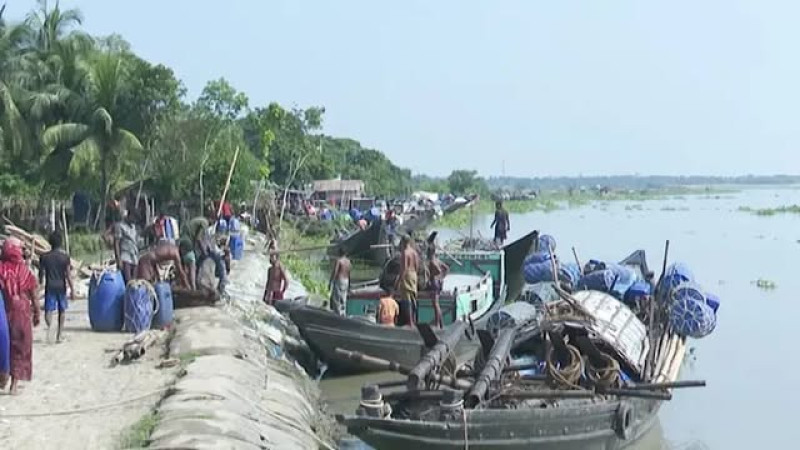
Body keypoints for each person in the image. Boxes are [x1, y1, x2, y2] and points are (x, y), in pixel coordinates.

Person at [0, 237, 39, 395]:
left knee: (5, 346)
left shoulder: (1, 269)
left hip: (4, 313)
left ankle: (3, 378)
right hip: (21, 314)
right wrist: (37, 313)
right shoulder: (24, 271)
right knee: (20, 346)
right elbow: (34, 294)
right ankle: (14, 385)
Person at [39, 232, 74, 343]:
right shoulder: (65, 257)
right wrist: (72, 290)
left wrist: (40, 283)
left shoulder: (44, 257)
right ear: (61, 243)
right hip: (61, 287)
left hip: (50, 286)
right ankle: (59, 335)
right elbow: (68, 275)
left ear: (50, 242)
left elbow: (41, 274)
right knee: (62, 310)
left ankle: (50, 325)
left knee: (48, 310)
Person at [186, 217, 228, 293]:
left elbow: (204, 240)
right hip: (191, 241)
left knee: (205, 260)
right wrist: (204, 252)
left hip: (192, 240)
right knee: (217, 260)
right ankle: (221, 284)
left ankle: (221, 284)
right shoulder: (205, 224)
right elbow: (199, 239)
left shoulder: (203, 223)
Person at [395, 236, 420, 326]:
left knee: (407, 299)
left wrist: (399, 281)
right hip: (414, 275)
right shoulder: (414, 252)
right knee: (413, 298)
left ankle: (410, 322)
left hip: (407, 275)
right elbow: (417, 266)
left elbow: (404, 268)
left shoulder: (405, 253)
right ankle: (414, 319)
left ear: (403, 242)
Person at [114, 211, 140, 284]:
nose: (134, 221)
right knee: (128, 280)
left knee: (134, 281)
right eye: (133, 218)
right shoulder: (120, 226)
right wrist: (118, 260)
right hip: (125, 255)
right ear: (129, 216)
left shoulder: (133, 227)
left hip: (134, 256)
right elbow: (116, 243)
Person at [427, 246, 449, 328]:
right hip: (439, 282)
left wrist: (432, 276)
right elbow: (446, 268)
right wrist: (442, 277)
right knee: (437, 304)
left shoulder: (432, 261)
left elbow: (438, 270)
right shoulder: (438, 260)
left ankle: (437, 324)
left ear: (430, 252)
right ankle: (441, 323)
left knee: (435, 304)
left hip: (434, 283)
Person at [329, 249, 351, 316]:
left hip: (339, 280)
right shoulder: (348, 261)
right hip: (346, 280)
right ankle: (343, 313)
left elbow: (335, 272)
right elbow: (349, 273)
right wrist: (349, 284)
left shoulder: (339, 260)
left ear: (339, 253)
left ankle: (337, 314)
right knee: (343, 298)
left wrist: (331, 281)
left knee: (337, 298)